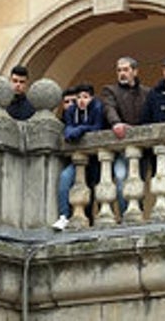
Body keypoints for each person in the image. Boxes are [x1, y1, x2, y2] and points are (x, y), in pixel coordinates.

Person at [100, 56, 150, 212]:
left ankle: (136, 213)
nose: (122, 73)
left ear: (135, 71)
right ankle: (124, 216)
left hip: (142, 147)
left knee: (138, 182)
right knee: (121, 179)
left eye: (126, 70)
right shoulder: (110, 91)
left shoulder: (147, 92)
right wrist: (116, 123)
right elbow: (109, 108)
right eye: (119, 70)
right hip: (120, 145)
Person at [53, 83, 105, 231]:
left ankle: (98, 218)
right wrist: (72, 130)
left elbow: (98, 128)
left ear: (92, 98)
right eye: (79, 97)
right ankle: (64, 216)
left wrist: (81, 129)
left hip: (96, 159)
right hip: (78, 160)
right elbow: (68, 127)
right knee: (64, 178)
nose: (82, 101)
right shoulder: (72, 111)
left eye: (85, 97)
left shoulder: (97, 108)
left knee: (96, 188)